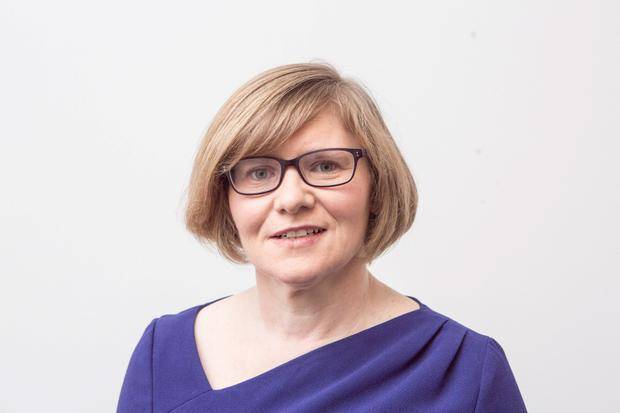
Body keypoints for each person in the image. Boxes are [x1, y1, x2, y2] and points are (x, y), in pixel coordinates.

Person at [116, 62, 527, 412]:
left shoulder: (465, 371)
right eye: (258, 172)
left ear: (377, 187)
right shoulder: (163, 354)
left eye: (326, 166)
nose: (291, 199)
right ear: (224, 199)